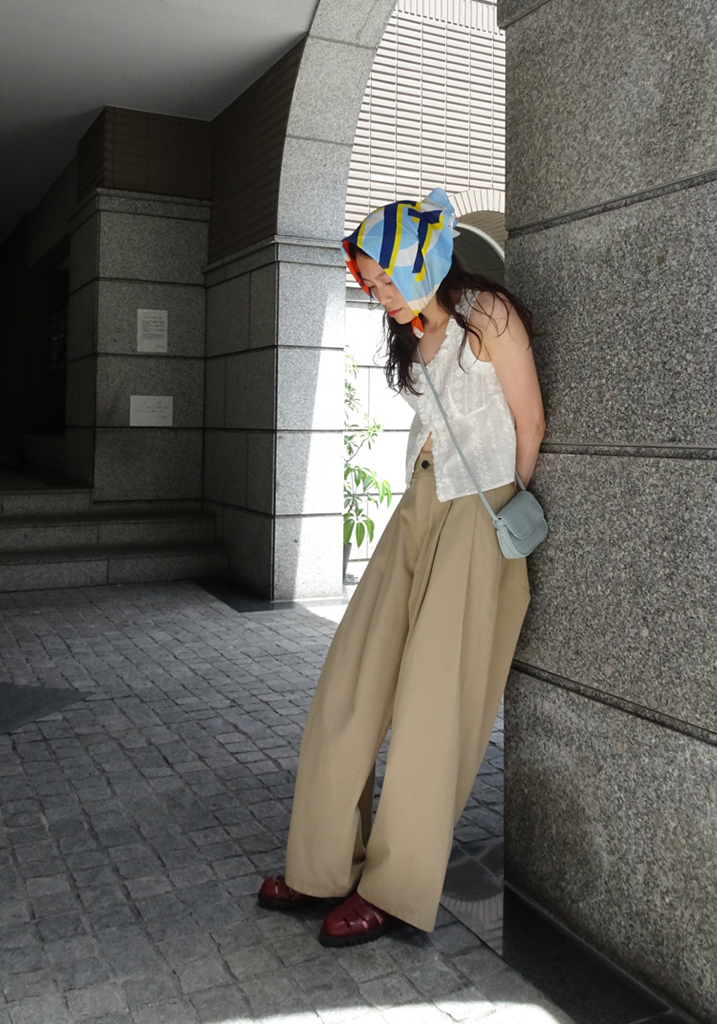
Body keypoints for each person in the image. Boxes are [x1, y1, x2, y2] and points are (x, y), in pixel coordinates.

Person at [257, 188, 546, 947]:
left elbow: (530, 423)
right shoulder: (416, 332)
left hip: (478, 509)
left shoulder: (489, 315)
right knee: (351, 677)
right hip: (417, 506)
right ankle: (320, 864)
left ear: (423, 260)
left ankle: (392, 888)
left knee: (431, 705)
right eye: (372, 279)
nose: (379, 291)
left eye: (387, 275)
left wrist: (493, 513)